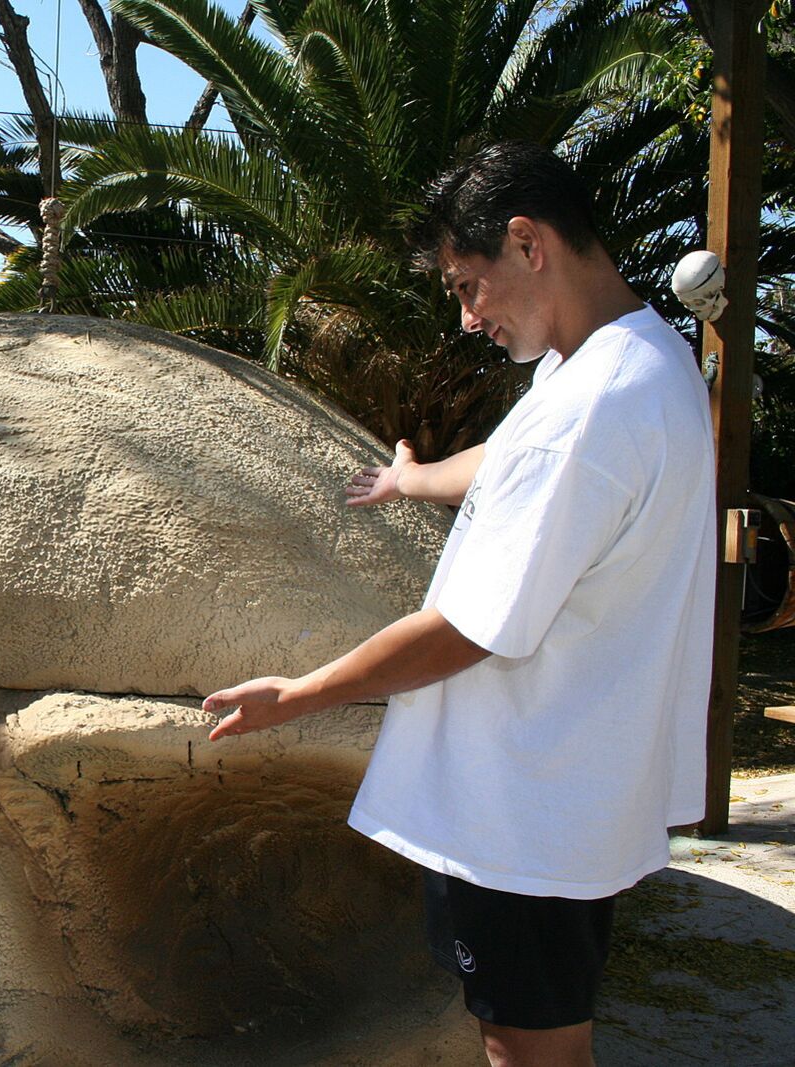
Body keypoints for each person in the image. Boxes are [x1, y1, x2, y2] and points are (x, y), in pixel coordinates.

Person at [204, 141, 716, 1067]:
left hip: (526, 806)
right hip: (558, 794)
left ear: (528, 243)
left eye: (469, 286)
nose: (470, 318)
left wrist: (301, 694)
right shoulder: (631, 358)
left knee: (530, 1051)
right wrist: (417, 478)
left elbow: (469, 630)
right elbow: (518, 459)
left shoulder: (593, 405)